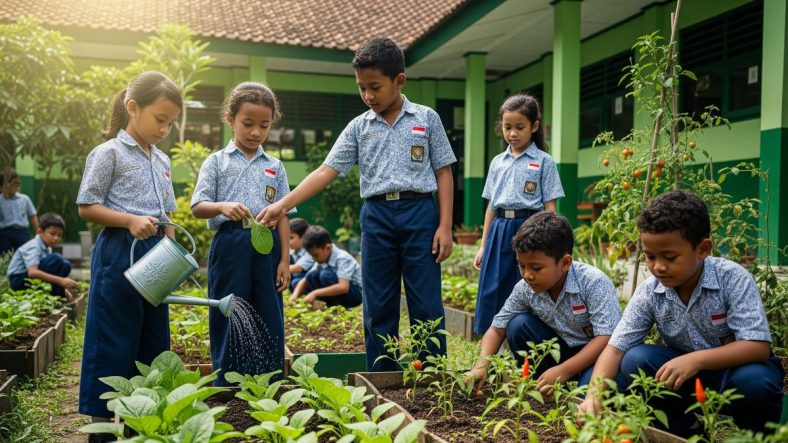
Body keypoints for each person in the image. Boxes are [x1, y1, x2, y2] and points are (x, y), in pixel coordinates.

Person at [259, 37, 456, 371]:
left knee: (425, 299)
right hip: (377, 215)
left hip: (420, 212)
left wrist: (445, 226)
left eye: (375, 87)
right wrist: (282, 204)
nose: (367, 95)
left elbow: (443, 171)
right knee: (378, 301)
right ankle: (382, 374)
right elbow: (325, 171)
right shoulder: (359, 127)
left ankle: (432, 376)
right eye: (361, 88)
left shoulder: (427, 119)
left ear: (399, 81)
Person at [577, 190, 784, 436]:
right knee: (635, 360)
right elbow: (615, 348)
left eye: (670, 257)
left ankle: (755, 438)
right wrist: (593, 395)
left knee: (758, 382)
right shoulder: (650, 292)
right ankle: (687, 433)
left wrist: (695, 360)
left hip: (734, 372)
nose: (658, 267)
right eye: (650, 257)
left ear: (703, 249)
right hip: (680, 377)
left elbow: (756, 347)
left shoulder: (732, 278)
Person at [76, 71, 182, 442]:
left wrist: (172, 254)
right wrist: (130, 220)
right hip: (120, 249)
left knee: (153, 340)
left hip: (155, 252)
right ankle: (103, 432)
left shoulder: (163, 160)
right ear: (133, 108)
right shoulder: (108, 153)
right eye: (160, 119)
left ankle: (143, 427)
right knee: (113, 339)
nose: (164, 129)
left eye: (170, 123)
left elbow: (167, 215)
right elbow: (87, 206)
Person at [191, 82, 291, 384]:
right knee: (228, 310)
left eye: (264, 125)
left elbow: (284, 214)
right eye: (248, 124)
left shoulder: (275, 166)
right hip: (230, 245)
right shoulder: (216, 162)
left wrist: (284, 259)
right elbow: (198, 205)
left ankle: (270, 382)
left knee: (268, 312)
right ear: (230, 119)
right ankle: (228, 384)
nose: (256, 132)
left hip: (267, 247)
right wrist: (221, 206)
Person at [467, 212, 620, 394]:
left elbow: (606, 337)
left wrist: (564, 371)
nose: (527, 275)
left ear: (564, 263)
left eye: (536, 268)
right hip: (557, 350)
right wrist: (481, 365)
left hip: (596, 357)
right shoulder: (525, 288)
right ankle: (541, 384)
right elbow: (496, 329)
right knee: (518, 325)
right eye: (521, 265)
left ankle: (567, 379)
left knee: (587, 392)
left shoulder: (593, 282)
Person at [473, 93, 564, 335]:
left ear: (534, 126)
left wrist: (552, 244)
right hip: (500, 230)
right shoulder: (497, 162)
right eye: (507, 127)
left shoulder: (545, 162)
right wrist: (483, 246)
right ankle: (495, 338)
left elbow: (551, 208)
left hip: (531, 228)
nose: (513, 133)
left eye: (519, 127)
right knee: (494, 285)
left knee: (527, 283)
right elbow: (491, 207)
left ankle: (523, 335)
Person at [6, 213, 77, 301]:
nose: (56, 238)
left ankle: (57, 295)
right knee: (56, 259)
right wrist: (61, 281)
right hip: (18, 281)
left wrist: (63, 287)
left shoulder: (47, 247)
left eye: (59, 235)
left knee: (65, 265)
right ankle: (55, 296)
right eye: (52, 234)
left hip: (28, 279)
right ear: (40, 231)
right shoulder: (34, 246)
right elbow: (32, 272)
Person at [289, 225, 362, 308]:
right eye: (312, 256)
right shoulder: (322, 258)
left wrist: (315, 293)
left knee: (325, 275)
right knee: (311, 275)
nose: (314, 259)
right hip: (341, 290)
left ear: (328, 248)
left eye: (316, 255)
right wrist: (293, 297)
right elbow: (305, 279)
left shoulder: (343, 258)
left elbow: (343, 287)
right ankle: (328, 305)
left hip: (355, 295)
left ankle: (339, 306)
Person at [0, 167, 38, 256]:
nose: (17, 187)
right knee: (4, 256)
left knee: (25, 256)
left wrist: (38, 232)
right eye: (14, 184)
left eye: (18, 184)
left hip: (22, 233)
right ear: (5, 185)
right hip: (4, 234)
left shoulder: (24, 199)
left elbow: (33, 216)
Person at [289, 217, 314, 291]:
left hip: (308, 280)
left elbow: (298, 268)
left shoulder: (310, 250)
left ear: (303, 237)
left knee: (295, 282)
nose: (287, 241)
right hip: (297, 277)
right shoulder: (292, 250)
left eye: (291, 238)